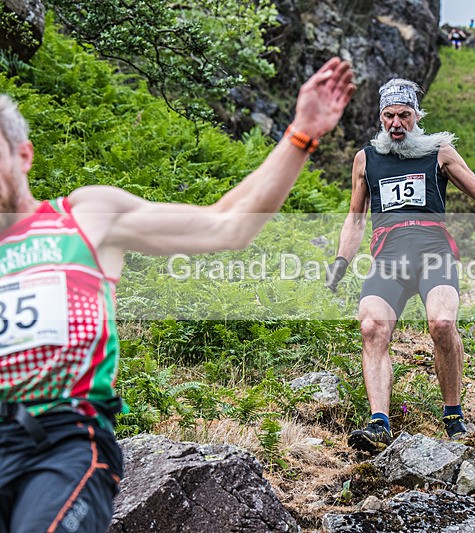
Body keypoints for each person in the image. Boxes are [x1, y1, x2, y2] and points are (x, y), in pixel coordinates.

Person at [0, 58, 355, 533]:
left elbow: (228, 225)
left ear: (22, 155)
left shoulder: (84, 217)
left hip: (65, 439)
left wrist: (301, 134)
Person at [325, 79, 475, 453]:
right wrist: (340, 260)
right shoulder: (367, 159)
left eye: (403, 115)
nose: (396, 123)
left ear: (416, 116)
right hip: (389, 257)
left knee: (443, 324)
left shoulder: (439, 153)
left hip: (434, 254)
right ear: (380, 117)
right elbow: (355, 218)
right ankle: (379, 422)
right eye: (388, 116)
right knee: (371, 326)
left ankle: (452, 415)